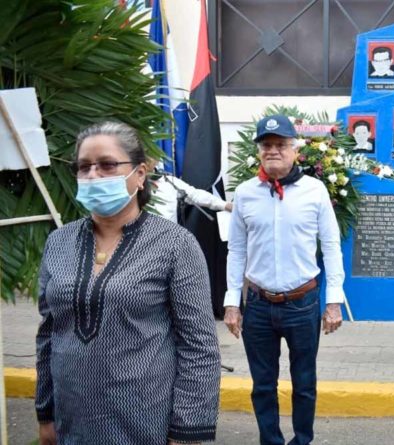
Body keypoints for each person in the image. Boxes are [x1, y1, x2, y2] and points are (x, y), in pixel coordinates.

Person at [35, 121, 221, 445]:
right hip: (71, 423)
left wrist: (187, 431)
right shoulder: (59, 242)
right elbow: (48, 334)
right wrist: (45, 413)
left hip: (147, 423)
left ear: (139, 174)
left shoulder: (175, 244)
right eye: (83, 167)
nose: (93, 176)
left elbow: (199, 346)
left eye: (107, 165)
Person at [224, 114, 345, 445]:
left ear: (294, 150)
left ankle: (302, 440)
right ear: (259, 151)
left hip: (302, 304)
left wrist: (333, 302)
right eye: (267, 145)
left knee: (304, 383)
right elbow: (236, 251)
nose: (273, 151)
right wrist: (232, 303)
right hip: (259, 306)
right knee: (263, 385)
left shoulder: (315, 191)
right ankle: (271, 441)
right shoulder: (246, 193)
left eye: (280, 145)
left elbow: (332, 247)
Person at [149, 161, 232, 224]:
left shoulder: (169, 181)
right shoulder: (136, 186)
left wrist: (225, 205)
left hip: (169, 239)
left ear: (156, 160)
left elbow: (195, 195)